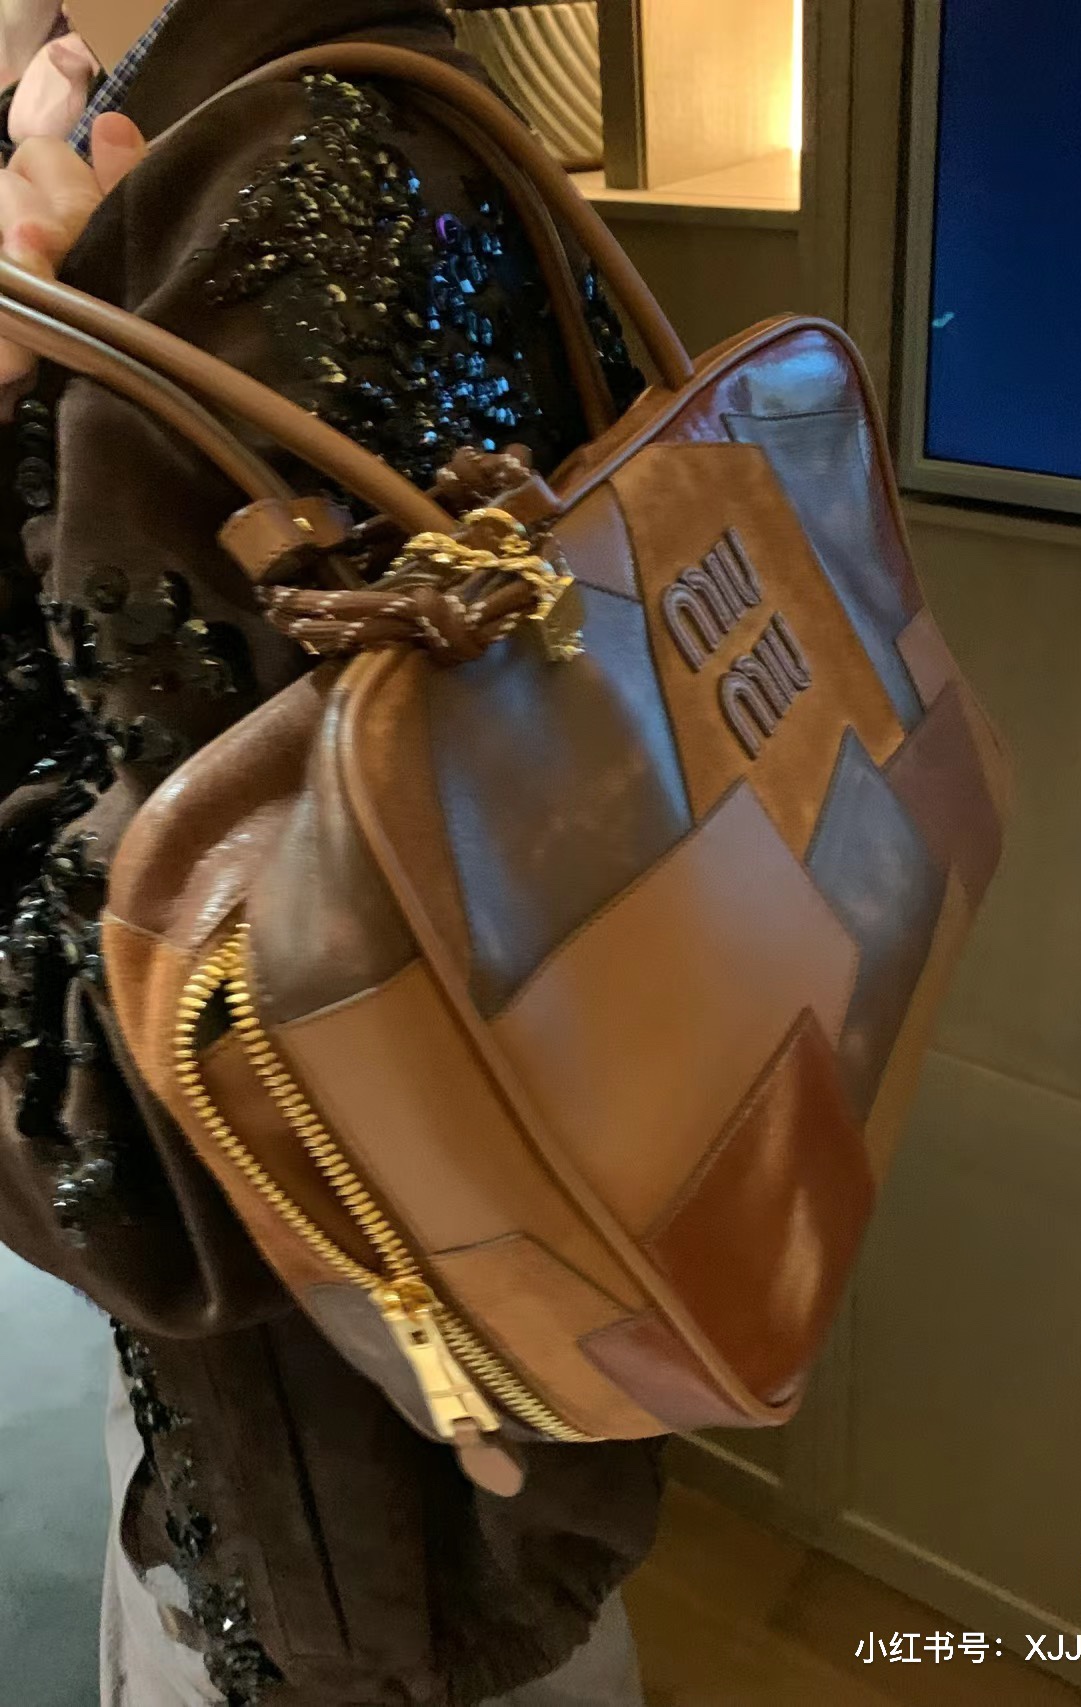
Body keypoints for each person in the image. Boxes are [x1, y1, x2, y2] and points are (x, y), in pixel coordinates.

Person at [0, 3, 661, 1704]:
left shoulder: (255, 199)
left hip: (358, 1522)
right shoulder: (417, 92)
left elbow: (158, 1155)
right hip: (526, 1353)